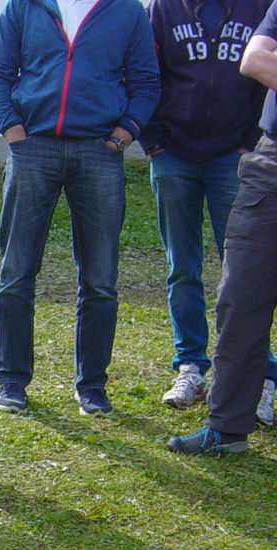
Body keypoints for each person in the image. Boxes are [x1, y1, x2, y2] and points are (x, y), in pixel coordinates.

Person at [0, 0, 160, 416]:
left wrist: (123, 135)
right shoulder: (24, 6)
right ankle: (11, 380)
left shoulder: (127, 10)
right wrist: (12, 129)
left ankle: (93, 385)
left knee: (100, 277)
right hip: (33, 149)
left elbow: (147, 81)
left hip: (98, 152)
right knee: (17, 270)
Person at [142, 0, 277, 425]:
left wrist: (249, 140)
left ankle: (258, 380)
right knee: (182, 266)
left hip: (232, 157)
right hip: (173, 155)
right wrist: (154, 139)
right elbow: (146, 70)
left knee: (245, 275)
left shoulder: (258, 6)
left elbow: (261, 79)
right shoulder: (163, 7)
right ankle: (191, 367)